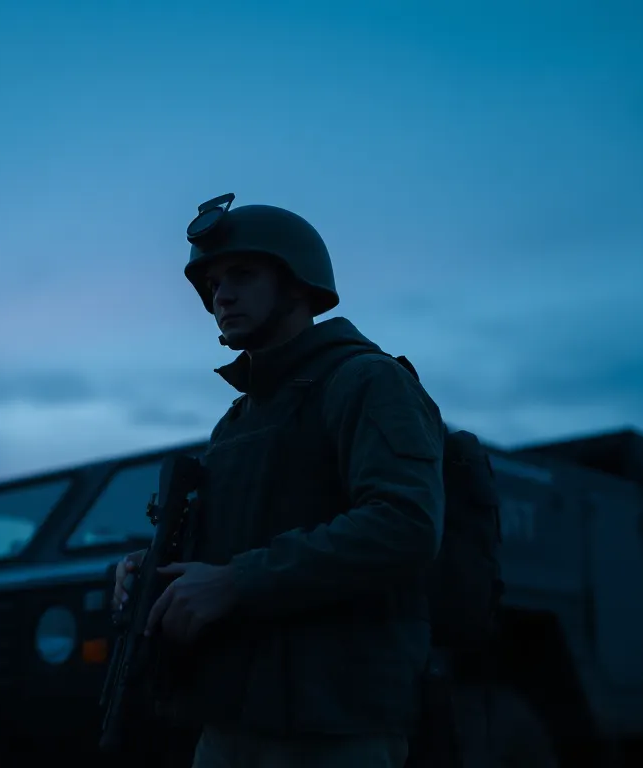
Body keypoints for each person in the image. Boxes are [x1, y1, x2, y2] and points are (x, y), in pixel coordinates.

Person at [111, 194, 448, 768]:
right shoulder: (237, 420)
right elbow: (231, 550)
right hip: (230, 720)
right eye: (214, 283)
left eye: (242, 275)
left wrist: (235, 583)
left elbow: (406, 523)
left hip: (334, 726)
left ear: (297, 284)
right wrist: (152, 571)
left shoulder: (366, 381)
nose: (222, 295)